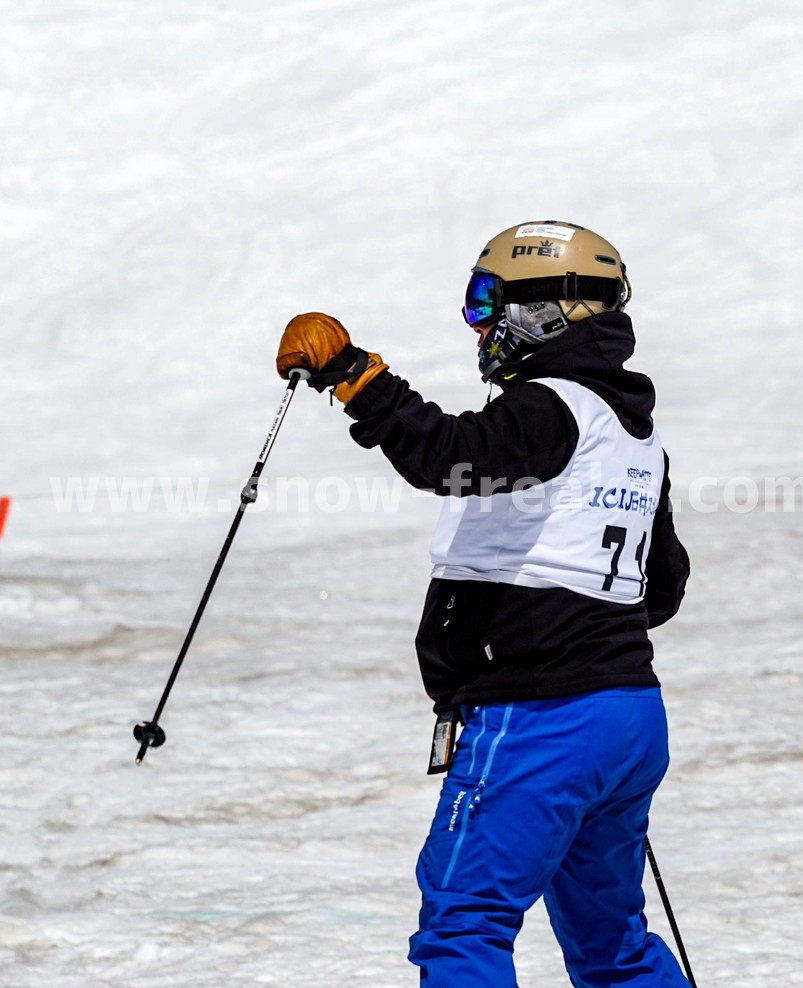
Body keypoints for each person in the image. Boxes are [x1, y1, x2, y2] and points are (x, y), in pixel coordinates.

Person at [275, 221, 692, 987]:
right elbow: (657, 589)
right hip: (627, 716)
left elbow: (448, 455)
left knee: (465, 923)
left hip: (542, 719)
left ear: (550, 309)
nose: (478, 324)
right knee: (612, 945)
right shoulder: (635, 437)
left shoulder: (549, 408)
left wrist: (354, 375)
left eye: (485, 301)